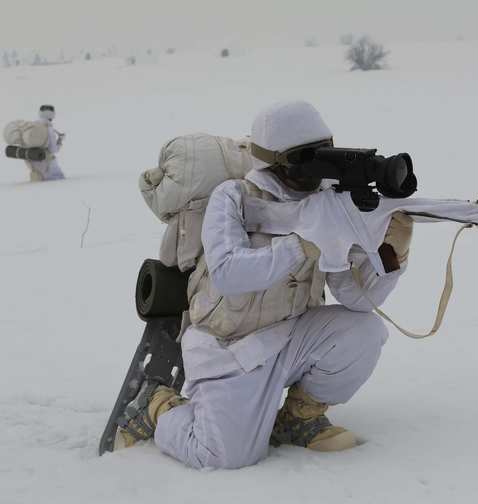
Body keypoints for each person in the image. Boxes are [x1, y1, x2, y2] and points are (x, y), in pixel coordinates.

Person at [115, 100, 413, 469]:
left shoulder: (328, 203)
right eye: (308, 157)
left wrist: (389, 258)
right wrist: (300, 243)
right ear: (277, 160)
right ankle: (156, 407)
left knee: (364, 330)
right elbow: (228, 273)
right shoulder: (234, 197)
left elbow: (355, 298)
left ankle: (297, 419)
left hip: (290, 338)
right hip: (228, 347)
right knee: (223, 456)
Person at [27, 105, 65, 181]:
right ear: (51, 114)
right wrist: (60, 141)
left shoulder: (31, 125)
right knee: (60, 179)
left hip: (32, 163)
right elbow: (53, 150)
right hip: (47, 164)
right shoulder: (49, 128)